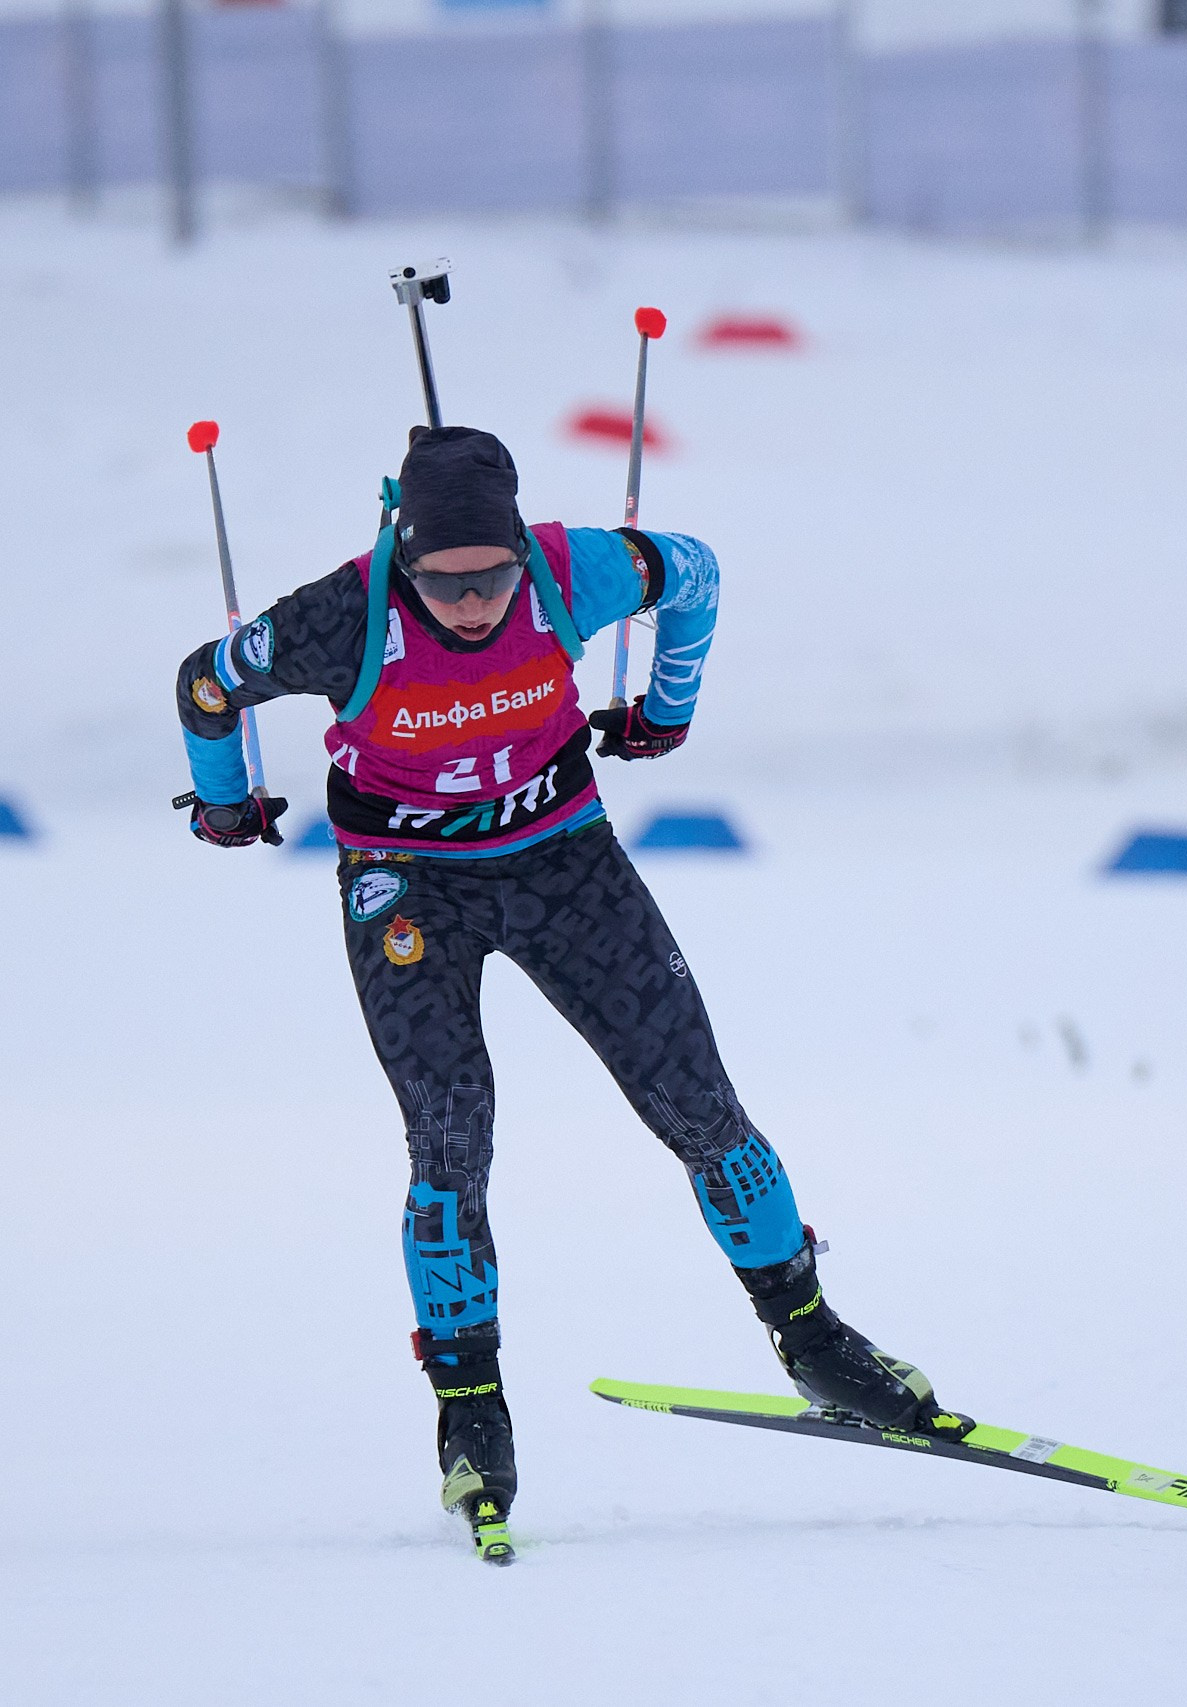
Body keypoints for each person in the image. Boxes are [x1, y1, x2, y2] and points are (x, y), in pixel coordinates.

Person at [172, 427, 966, 1561]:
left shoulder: (568, 569)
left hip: (564, 861)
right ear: (401, 553)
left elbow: (693, 571)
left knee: (698, 1104)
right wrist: (224, 802)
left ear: (518, 549)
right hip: (408, 882)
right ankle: (471, 1415)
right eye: (442, 583)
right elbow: (206, 682)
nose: (471, 605)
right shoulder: (342, 614)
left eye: (491, 577)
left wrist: (667, 708)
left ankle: (814, 1341)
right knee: (451, 1136)